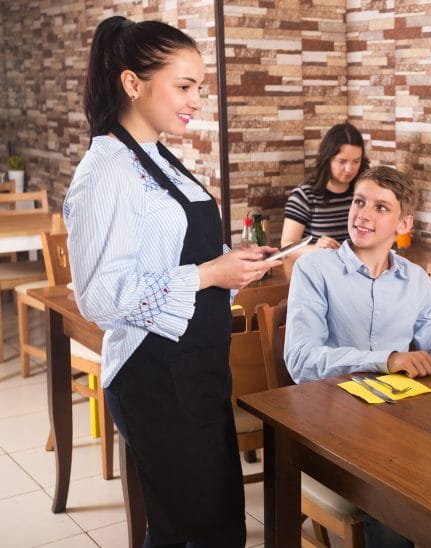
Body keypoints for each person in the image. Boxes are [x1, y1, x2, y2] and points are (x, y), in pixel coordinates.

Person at [66, 16, 278, 547]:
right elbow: (99, 296)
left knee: (196, 528)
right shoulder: (107, 170)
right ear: (133, 84)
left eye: (199, 89)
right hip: (155, 376)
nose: (196, 101)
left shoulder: (163, 158)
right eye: (184, 87)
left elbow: (172, 256)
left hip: (196, 369)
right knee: (204, 532)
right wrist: (209, 273)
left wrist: (235, 264)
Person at [285, 165, 431, 384]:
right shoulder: (313, 268)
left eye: (381, 207)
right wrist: (388, 360)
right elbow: (301, 361)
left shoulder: (417, 280)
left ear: (404, 224)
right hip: (329, 406)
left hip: (395, 408)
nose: (363, 215)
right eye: (359, 202)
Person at [281, 122, 369, 255]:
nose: (349, 169)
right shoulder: (304, 196)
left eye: (356, 161)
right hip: (319, 270)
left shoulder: (364, 192)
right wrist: (315, 248)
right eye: (342, 161)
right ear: (327, 159)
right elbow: (287, 246)